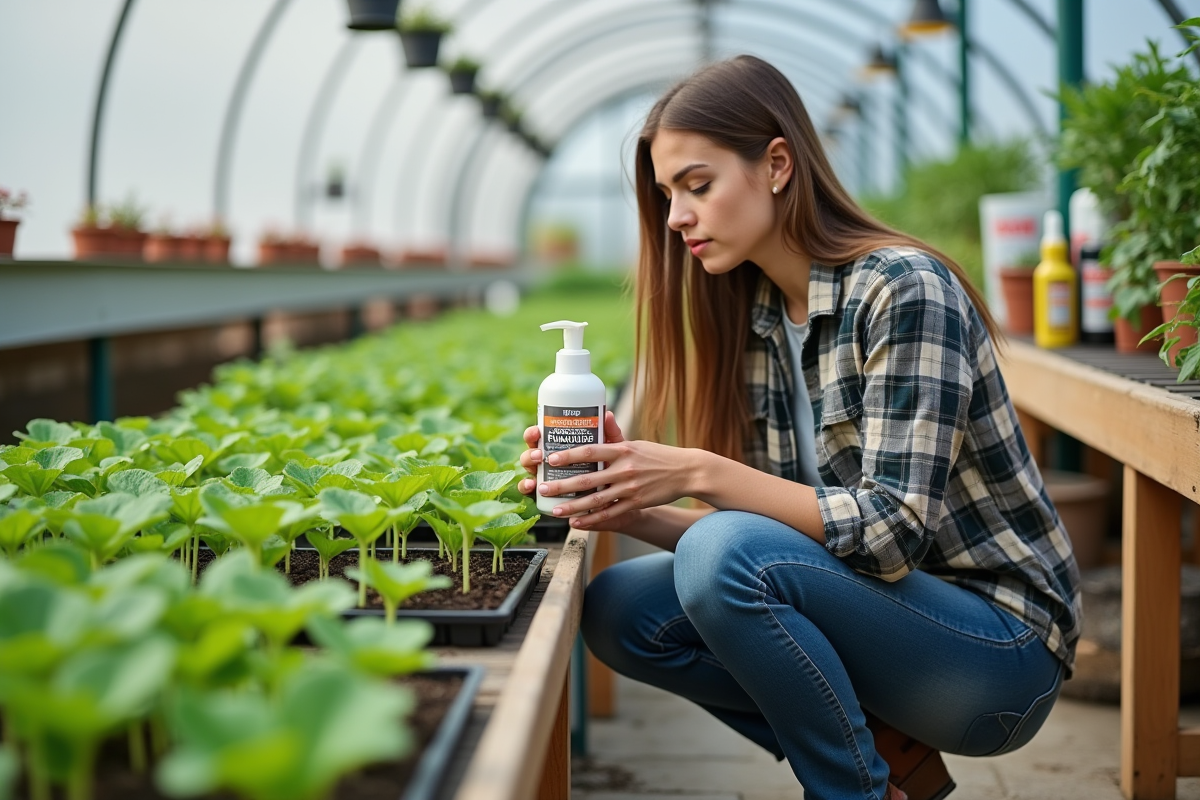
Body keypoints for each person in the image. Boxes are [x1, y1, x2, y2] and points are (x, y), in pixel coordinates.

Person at [516, 55, 1080, 800]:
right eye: (667, 194)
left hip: (997, 654)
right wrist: (630, 507)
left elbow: (888, 536)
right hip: (883, 620)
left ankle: (847, 791)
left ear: (778, 165)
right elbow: (778, 550)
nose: (676, 216)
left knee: (722, 550)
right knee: (621, 609)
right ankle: (887, 774)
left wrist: (695, 470)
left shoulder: (903, 289)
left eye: (697, 185)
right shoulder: (755, 316)